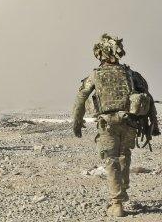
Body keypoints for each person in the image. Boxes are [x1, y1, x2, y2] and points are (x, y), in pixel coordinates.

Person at [72, 34, 159, 217]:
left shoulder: (96, 75)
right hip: (129, 122)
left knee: (111, 160)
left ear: (101, 54)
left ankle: (117, 202)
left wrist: (77, 121)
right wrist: (154, 124)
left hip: (108, 124)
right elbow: (148, 97)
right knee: (123, 155)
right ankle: (123, 189)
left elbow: (81, 98)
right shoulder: (130, 74)